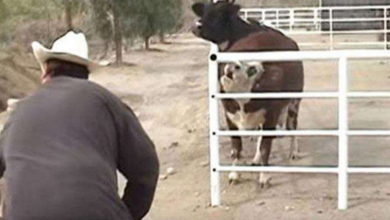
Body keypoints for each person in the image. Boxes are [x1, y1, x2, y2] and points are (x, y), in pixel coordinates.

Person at [0, 30, 159, 220]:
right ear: (86, 74)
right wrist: (128, 214)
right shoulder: (104, 100)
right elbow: (146, 167)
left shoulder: (19, 111)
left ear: (45, 71)